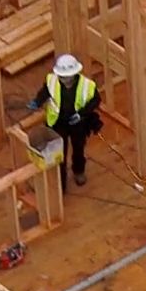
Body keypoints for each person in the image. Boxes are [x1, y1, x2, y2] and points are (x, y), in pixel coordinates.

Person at [33, 52, 104, 190]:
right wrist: (37, 102)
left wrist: (81, 114)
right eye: (62, 77)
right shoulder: (52, 81)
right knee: (58, 153)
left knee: (78, 149)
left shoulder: (87, 85)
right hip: (58, 123)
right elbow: (44, 92)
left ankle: (79, 171)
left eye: (66, 77)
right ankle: (60, 182)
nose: (64, 80)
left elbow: (96, 100)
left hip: (78, 124)